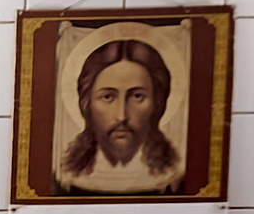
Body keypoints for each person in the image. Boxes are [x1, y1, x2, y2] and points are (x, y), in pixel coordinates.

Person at [57, 36, 181, 194]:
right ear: (87, 104)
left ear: (157, 104)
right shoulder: (70, 175)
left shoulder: (172, 173)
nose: (122, 116)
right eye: (107, 97)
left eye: (137, 96)